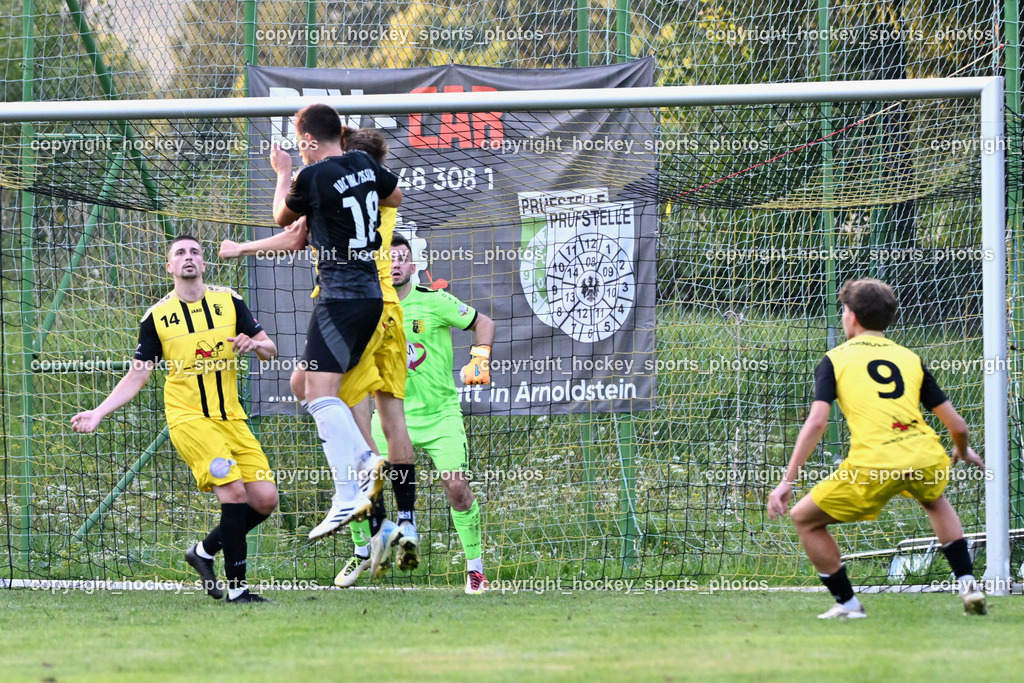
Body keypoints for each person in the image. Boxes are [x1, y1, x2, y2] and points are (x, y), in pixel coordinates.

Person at [222, 126, 416, 582]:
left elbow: (287, 232)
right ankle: (398, 524)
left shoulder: (327, 180)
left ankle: (366, 508)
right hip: (383, 308)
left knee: (329, 400)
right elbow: (392, 198)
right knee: (377, 415)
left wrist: (283, 176)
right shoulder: (370, 178)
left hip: (350, 300)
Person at [71, 235, 279, 604]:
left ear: (203, 264)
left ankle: (202, 552)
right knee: (233, 491)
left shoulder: (229, 301)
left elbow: (270, 350)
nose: (188, 257)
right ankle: (238, 589)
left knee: (263, 499)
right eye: (180, 253)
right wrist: (98, 412)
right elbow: (137, 374)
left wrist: (254, 344)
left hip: (232, 417)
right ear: (169, 267)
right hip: (189, 420)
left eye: (195, 252)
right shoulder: (156, 318)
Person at [767, 277, 987, 619]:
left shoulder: (835, 359)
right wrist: (962, 449)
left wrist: (787, 481)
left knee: (804, 519)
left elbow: (816, 422)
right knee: (933, 499)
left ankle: (848, 604)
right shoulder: (909, 358)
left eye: (843, 311)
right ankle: (968, 583)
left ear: (851, 316)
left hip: (876, 462)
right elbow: (958, 425)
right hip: (925, 453)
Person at [271, 103, 402, 540]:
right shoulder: (364, 163)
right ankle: (349, 488)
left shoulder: (310, 176)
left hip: (340, 297)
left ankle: (361, 469)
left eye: (299, 143)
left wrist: (282, 171)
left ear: (308, 141)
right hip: (370, 297)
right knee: (301, 384)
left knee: (316, 390)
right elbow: (395, 196)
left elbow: (282, 219)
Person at [344, 233, 494, 594]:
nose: (394, 263)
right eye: (388, 258)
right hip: (389, 415)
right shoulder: (370, 307)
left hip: (440, 415)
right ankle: (361, 552)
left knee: (457, 487)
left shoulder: (435, 301)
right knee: (360, 483)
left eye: (401, 258)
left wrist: (480, 357)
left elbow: (483, 322)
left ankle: (475, 569)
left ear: (413, 266)